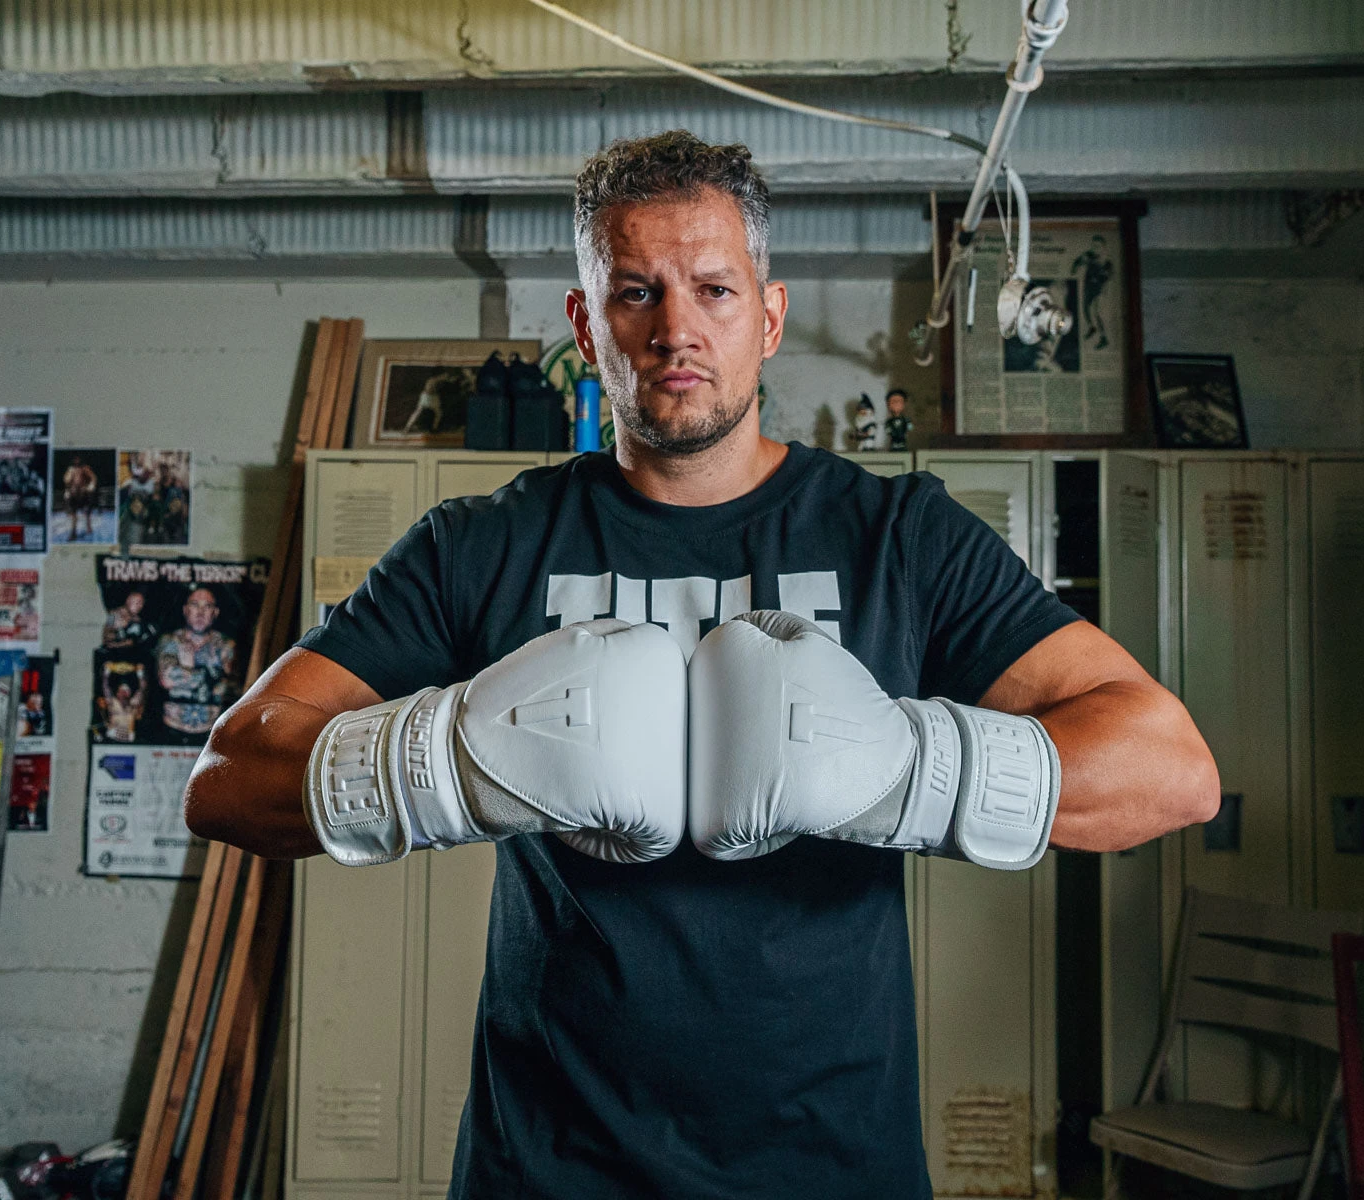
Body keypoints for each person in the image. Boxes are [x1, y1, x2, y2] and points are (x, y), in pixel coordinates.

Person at [185, 131, 1219, 1199]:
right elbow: (228, 777)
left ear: (768, 318)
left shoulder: (898, 537)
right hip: (548, 1169)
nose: (676, 329)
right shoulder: (484, 546)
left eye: (715, 290)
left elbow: (1170, 768)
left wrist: (910, 767)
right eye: (636, 292)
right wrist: (444, 762)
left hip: (831, 1168)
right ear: (586, 324)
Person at [156, 588, 237, 737]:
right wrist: (210, 676)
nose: (200, 612)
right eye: (194, 605)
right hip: (172, 729)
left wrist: (185, 669)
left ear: (215, 612)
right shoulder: (170, 641)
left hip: (213, 731)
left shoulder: (225, 645)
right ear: (185, 610)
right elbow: (167, 680)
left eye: (207, 606)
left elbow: (229, 688)